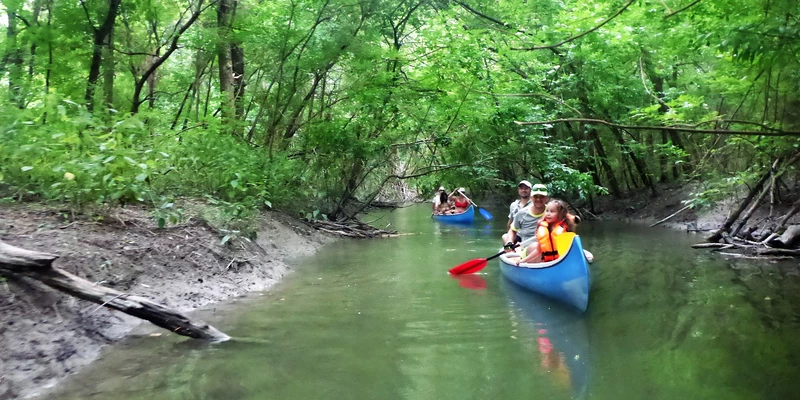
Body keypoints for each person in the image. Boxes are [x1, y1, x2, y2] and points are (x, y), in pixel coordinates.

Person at [515, 199, 576, 265]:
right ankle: (518, 251)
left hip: (562, 261)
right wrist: (523, 261)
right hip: (549, 262)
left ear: (560, 214)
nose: (548, 214)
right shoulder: (545, 228)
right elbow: (538, 250)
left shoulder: (565, 229)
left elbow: (573, 247)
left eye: (552, 211)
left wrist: (584, 255)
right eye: (547, 211)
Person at [503, 183, 550, 250]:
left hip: (547, 248)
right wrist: (510, 241)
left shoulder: (552, 212)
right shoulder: (522, 213)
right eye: (536, 196)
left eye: (542, 196)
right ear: (531, 197)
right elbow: (512, 230)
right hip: (526, 249)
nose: (538, 199)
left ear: (547, 198)